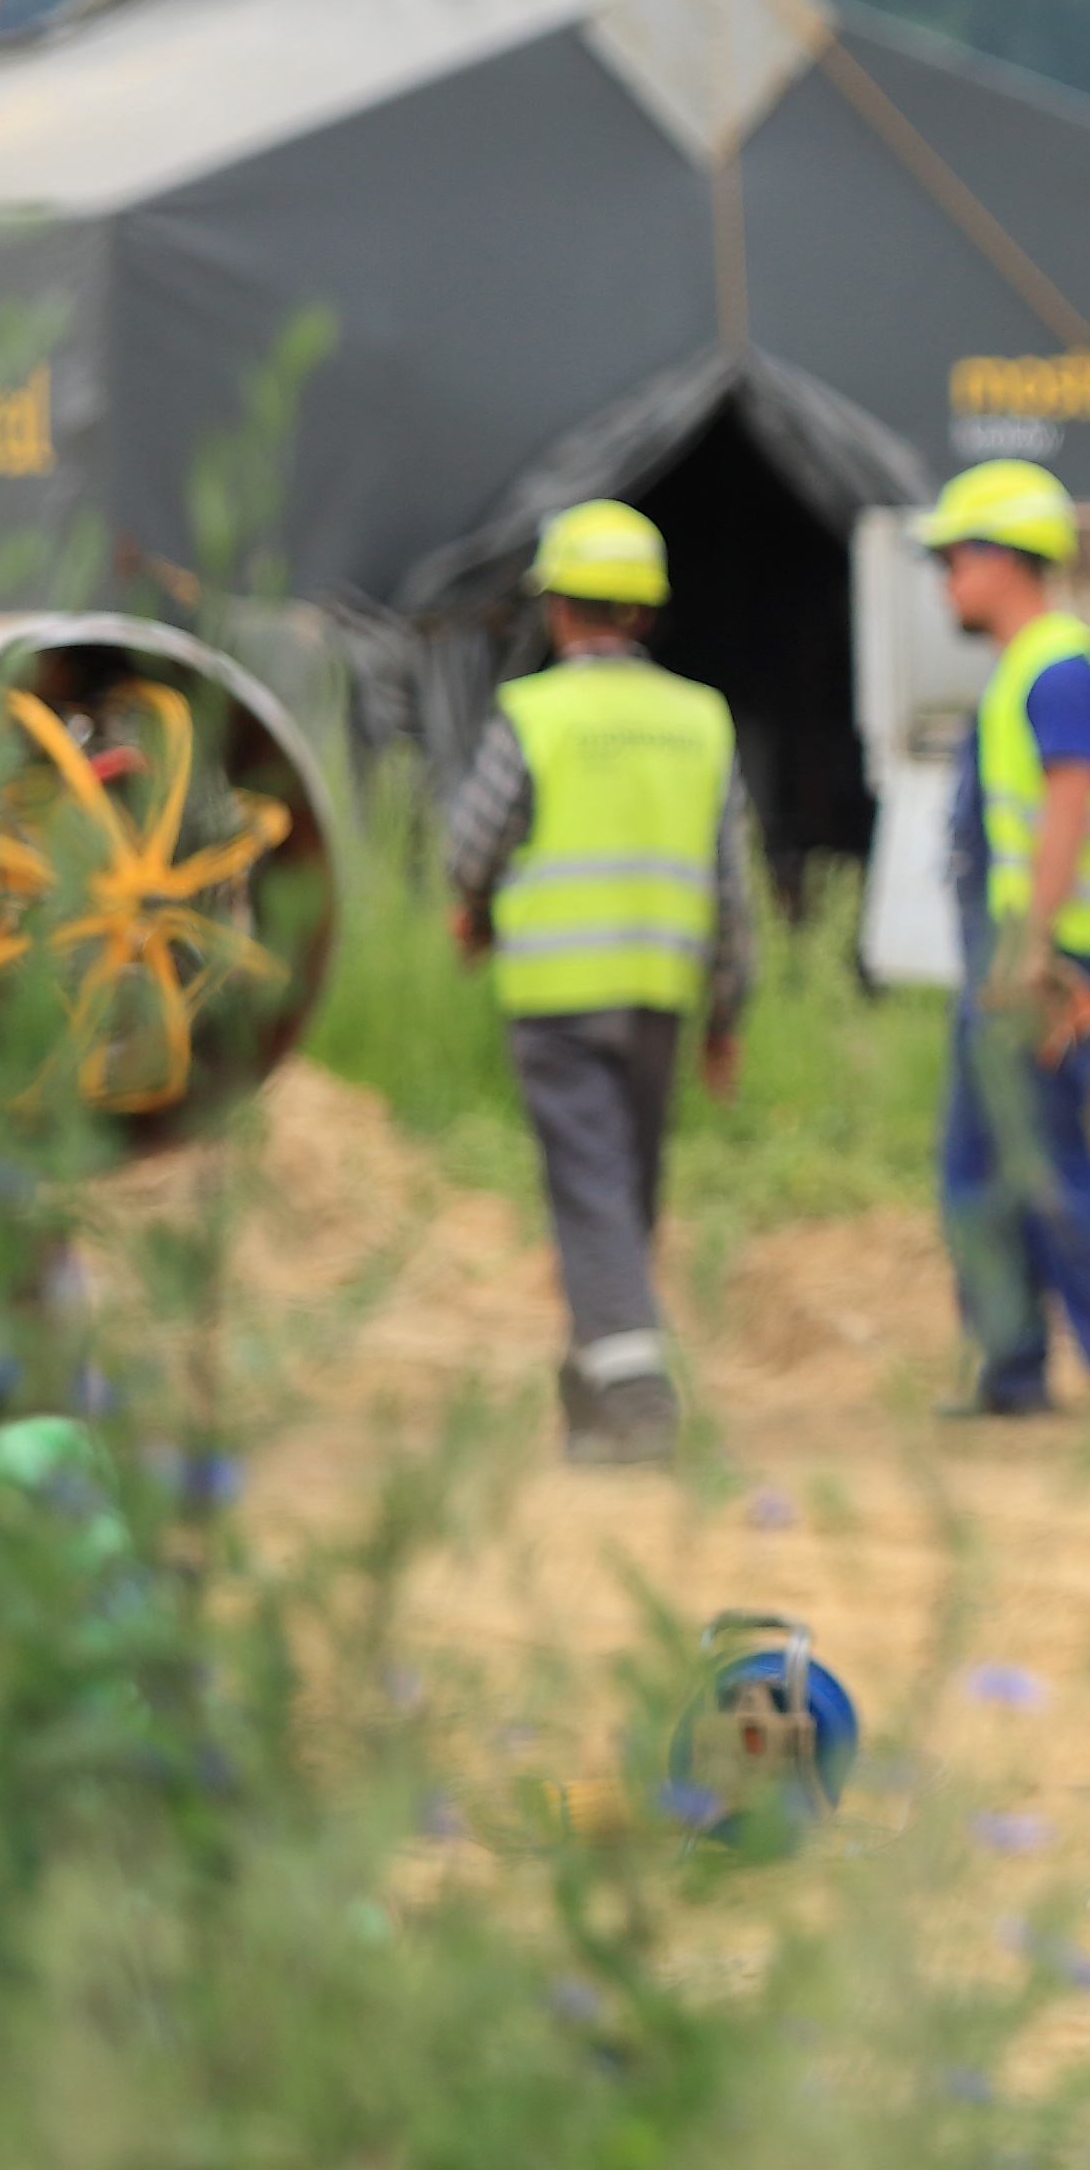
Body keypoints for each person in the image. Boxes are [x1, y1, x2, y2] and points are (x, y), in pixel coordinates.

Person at [436, 498, 755, 1468]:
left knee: (591, 1194)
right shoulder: (701, 719)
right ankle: (592, 1395)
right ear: (646, 615)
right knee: (626, 1191)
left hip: (558, 998)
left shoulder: (533, 714)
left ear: (558, 611)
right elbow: (733, 886)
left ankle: (639, 1401)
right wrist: (728, 1012)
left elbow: (471, 848)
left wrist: (471, 912)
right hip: (659, 994)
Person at [922, 458, 1090, 1421]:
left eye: (954, 558)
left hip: (1045, 962)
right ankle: (1008, 1367)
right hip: (1016, 959)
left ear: (1001, 560)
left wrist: (1033, 950)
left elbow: (1067, 809)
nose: (946, 579)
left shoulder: (1061, 670)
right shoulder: (1032, 669)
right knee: (979, 1161)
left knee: (1050, 1154)